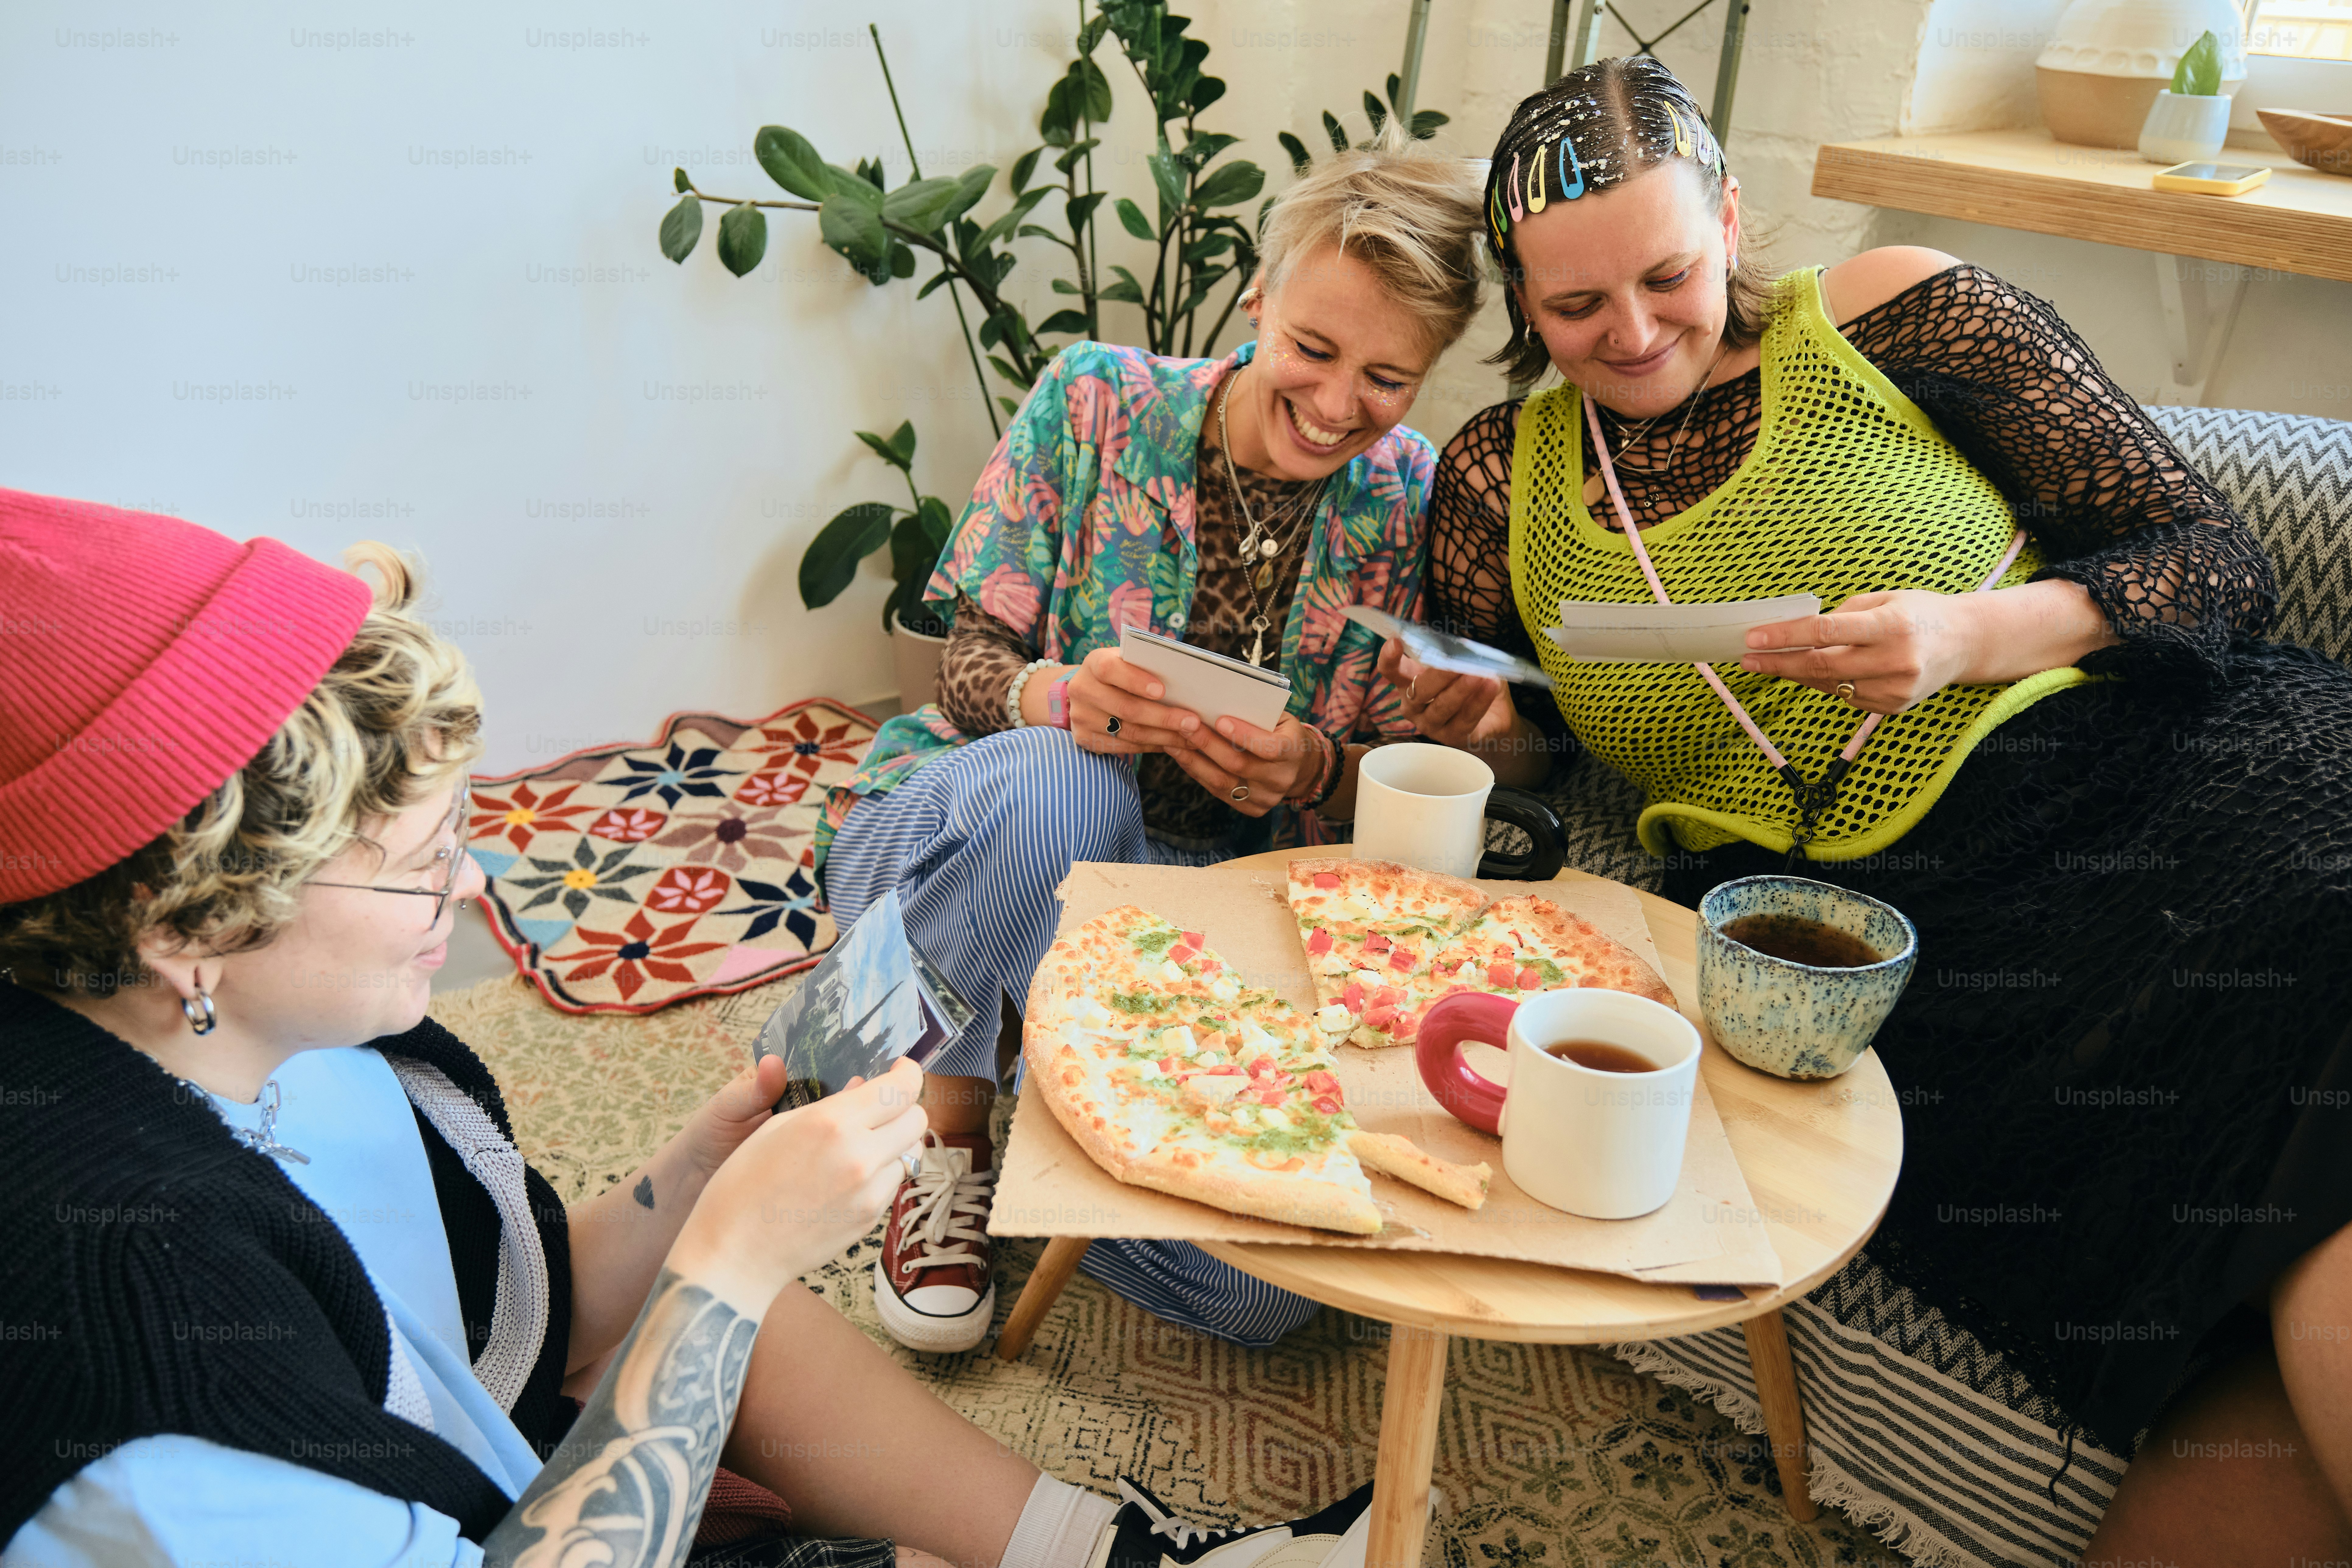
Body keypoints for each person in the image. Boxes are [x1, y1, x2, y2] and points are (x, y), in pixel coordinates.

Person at [0, 491, 1378, 1568]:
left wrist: (691, 1193)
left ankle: (1120, 1551)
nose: (472, 889)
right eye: (419, 859)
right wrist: (721, 1271)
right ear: (189, 923)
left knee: (735, 1318)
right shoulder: (124, 1325)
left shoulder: (331, 1044)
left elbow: (509, 1313)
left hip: (491, 1474)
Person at [1392, 54, 2352, 1559]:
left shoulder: (1889, 311)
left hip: (2177, 763)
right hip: (1889, 917)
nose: (1632, 335)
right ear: (1521, 297)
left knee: (2321, 932)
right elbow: (1529, 750)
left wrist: (1970, 633)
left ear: (1727, 215)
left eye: (1670, 275)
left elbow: (2212, 558)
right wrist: (1486, 724)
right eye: (1574, 311)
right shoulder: (1496, 481)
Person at [816, 131, 1488, 1354]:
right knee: (1064, 778)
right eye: (1314, 348)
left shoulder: (1410, 497)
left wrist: (1317, 771)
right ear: (1258, 302)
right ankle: (948, 1122)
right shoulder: (1093, 397)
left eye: (1388, 379)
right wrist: (1059, 695)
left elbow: (1379, 780)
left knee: (1270, 1294)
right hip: (970, 827)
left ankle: (974, 1063)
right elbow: (965, 663)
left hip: (1173, 917)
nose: (1339, 404)